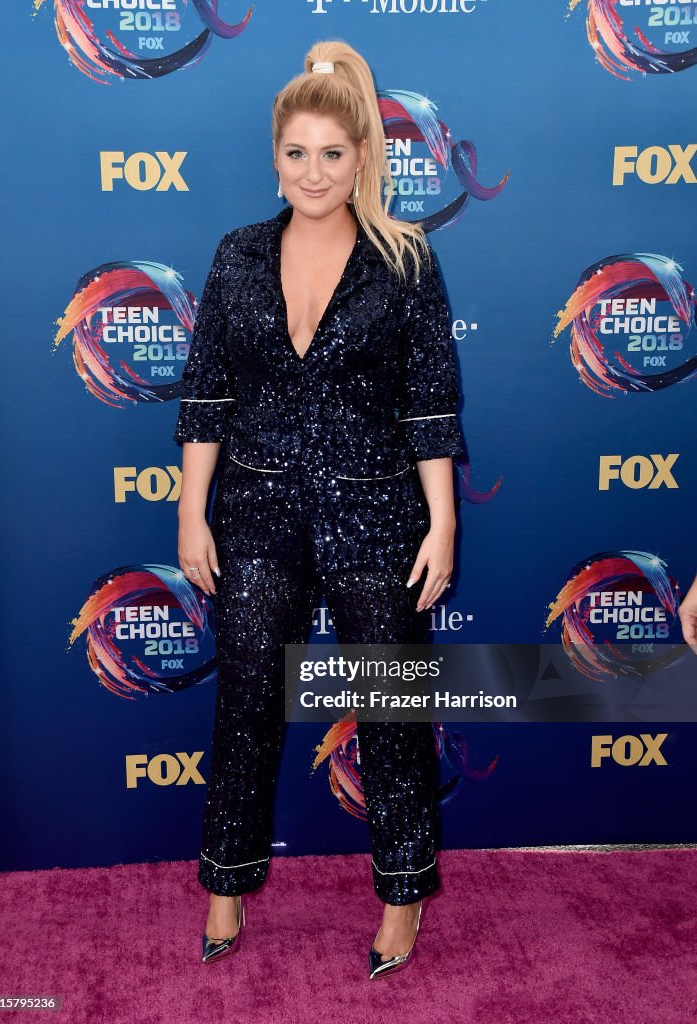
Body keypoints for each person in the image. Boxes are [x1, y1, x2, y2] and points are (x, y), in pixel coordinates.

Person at [173, 39, 466, 980]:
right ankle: (225, 885)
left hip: (378, 516)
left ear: (362, 158)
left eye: (332, 154)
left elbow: (430, 402)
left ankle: (402, 894)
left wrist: (443, 522)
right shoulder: (237, 255)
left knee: (386, 713)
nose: (313, 172)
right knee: (248, 703)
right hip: (256, 512)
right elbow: (207, 395)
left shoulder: (404, 259)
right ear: (274, 159)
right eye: (296, 154)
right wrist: (191, 513)